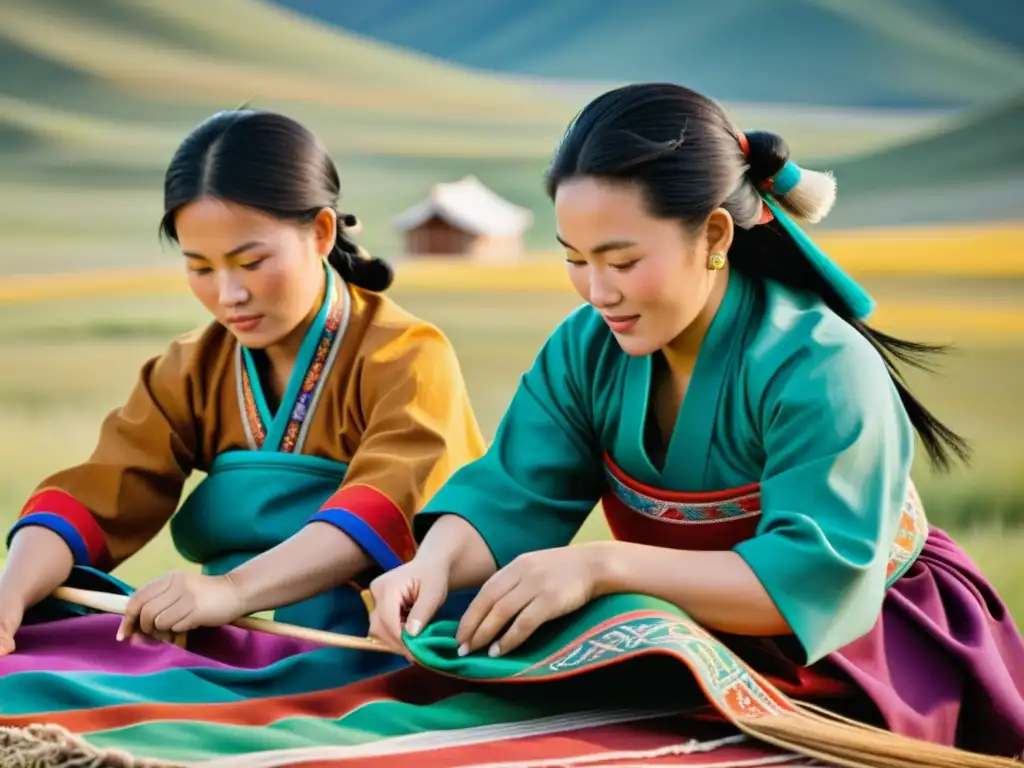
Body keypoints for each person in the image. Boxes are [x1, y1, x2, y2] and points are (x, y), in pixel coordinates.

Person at [368, 83, 1024, 758]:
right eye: (574, 258)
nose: (598, 292)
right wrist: (436, 564)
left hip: (868, 652)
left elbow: (805, 579)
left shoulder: (819, 366)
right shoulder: (584, 348)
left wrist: (601, 566)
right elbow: (514, 494)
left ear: (713, 235)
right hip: (684, 641)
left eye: (622, 261)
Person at [0, 109, 486, 664]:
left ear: (322, 232)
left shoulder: (408, 356)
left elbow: (381, 510)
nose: (229, 294)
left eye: (250, 262)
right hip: (239, 640)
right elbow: (98, 495)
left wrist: (232, 591)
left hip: (384, 645)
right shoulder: (189, 368)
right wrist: (10, 592)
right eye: (200, 268)